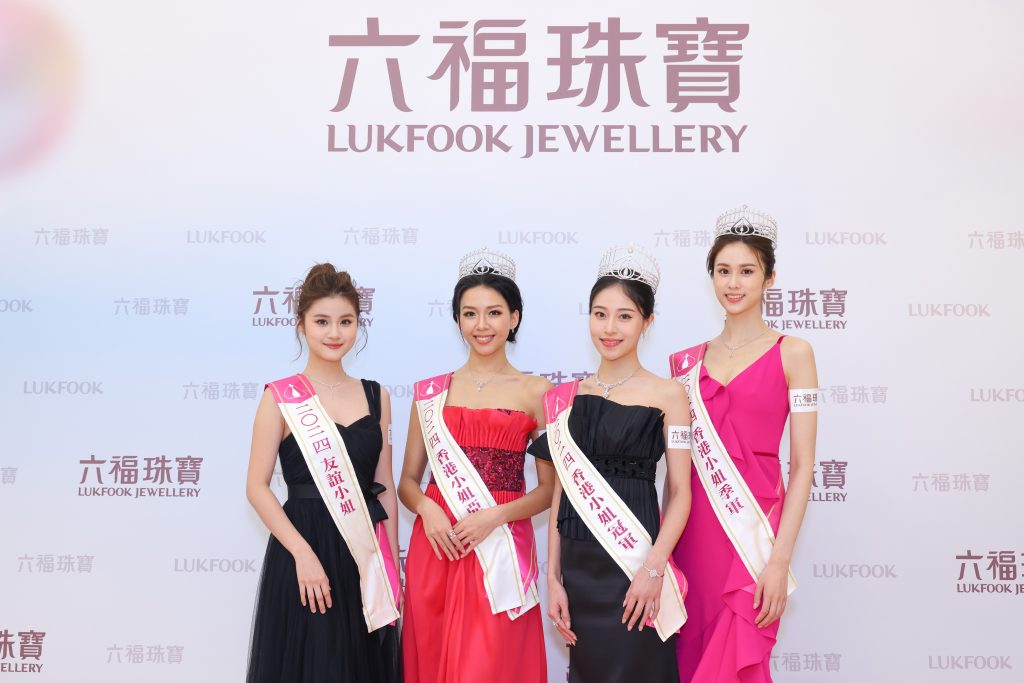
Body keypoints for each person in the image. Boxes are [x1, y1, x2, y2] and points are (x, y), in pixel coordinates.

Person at [670, 207, 818, 682]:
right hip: (693, 536)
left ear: (770, 277)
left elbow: (803, 466)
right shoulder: (685, 365)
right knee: (691, 658)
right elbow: (676, 476)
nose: (734, 283)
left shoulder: (794, 353)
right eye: (723, 271)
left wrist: (779, 561)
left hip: (754, 533)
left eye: (747, 271)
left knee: (738, 661)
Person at [534, 245, 692, 683]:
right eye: (600, 314)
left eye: (625, 316)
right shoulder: (565, 398)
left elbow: (681, 492)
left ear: (647, 321)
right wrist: (554, 578)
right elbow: (561, 489)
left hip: (636, 559)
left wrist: (654, 568)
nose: (609, 328)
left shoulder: (669, 395)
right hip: (579, 564)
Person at [399, 248, 553, 683]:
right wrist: (427, 509)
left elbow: (547, 491)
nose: (481, 325)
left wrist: (494, 516)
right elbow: (407, 482)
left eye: (494, 313)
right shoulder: (431, 393)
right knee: (432, 656)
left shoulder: (537, 392)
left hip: (499, 542)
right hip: (439, 544)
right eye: (470, 314)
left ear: (514, 318)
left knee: (490, 664)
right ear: (457, 320)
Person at [245, 263, 401, 683]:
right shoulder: (280, 397)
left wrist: (391, 568)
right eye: (322, 321)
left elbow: (385, 487)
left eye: (345, 321)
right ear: (301, 324)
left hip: (363, 554)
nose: (334, 333)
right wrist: (302, 553)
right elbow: (256, 487)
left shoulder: (377, 395)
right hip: (303, 551)